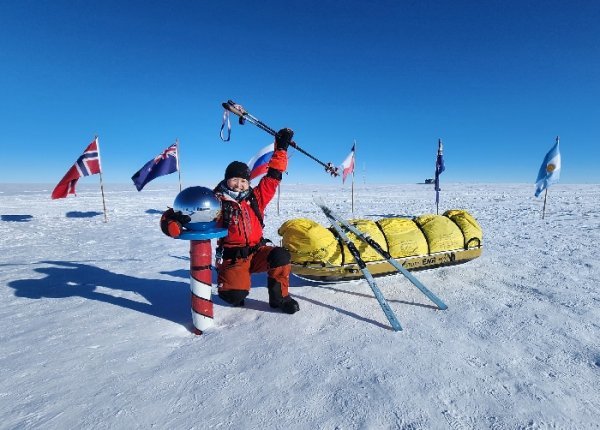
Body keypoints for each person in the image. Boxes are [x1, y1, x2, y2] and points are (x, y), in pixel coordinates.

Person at [160, 128, 299, 314]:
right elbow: (185, 209)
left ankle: (280, 299)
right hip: (233, 258)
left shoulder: (257, 197)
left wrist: (280, 149)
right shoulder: (214, 200)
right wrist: (171, 222)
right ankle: (232, 283)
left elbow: (273, 176)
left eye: (244, 181)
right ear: (227, 180)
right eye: (235, 179)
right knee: (235, 296)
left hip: (258, 252)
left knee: (281, 255)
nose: (239, 184)